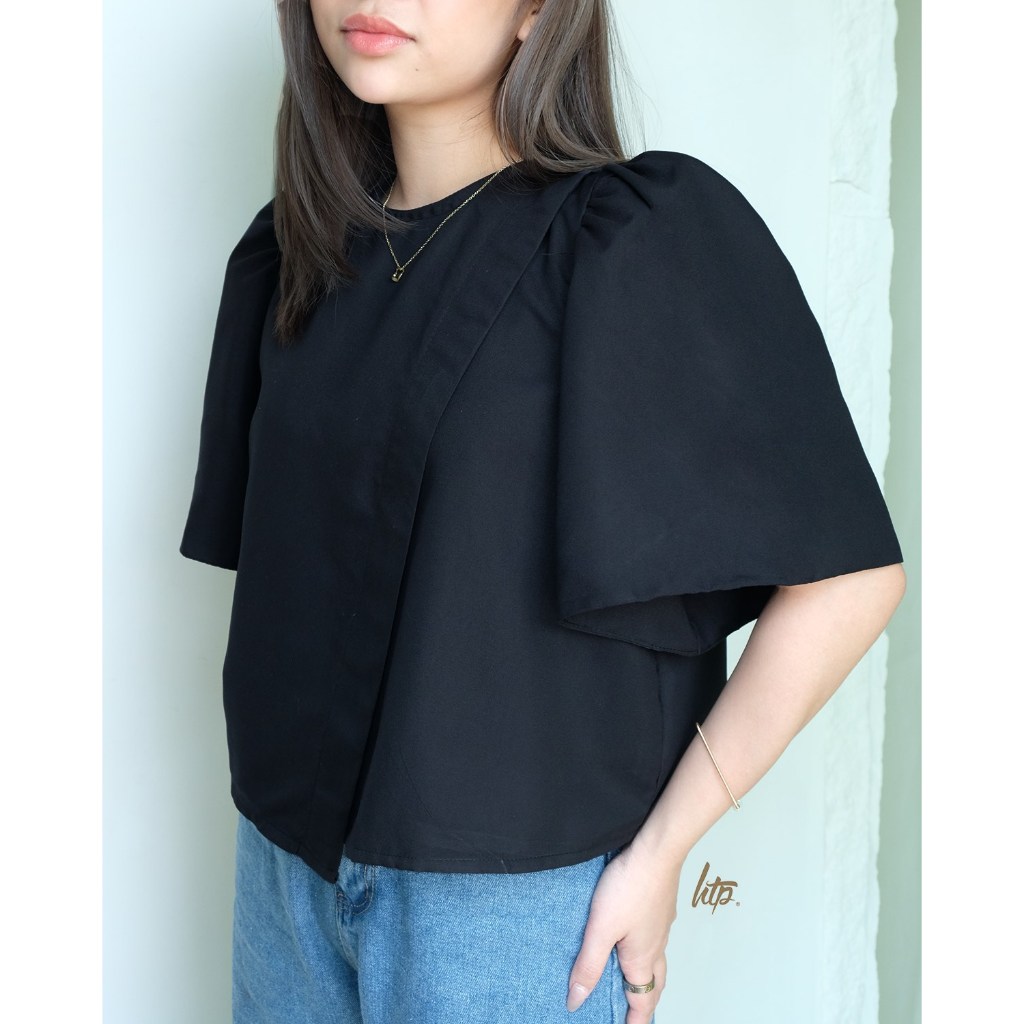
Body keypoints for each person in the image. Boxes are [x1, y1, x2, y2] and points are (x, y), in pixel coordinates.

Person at [179, 2, 907, 1022]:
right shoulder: (294, 254)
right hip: (283, 879)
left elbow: (849, 579)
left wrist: (661, 853)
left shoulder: (632, 239)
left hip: (511, 918)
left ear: (536, 11)